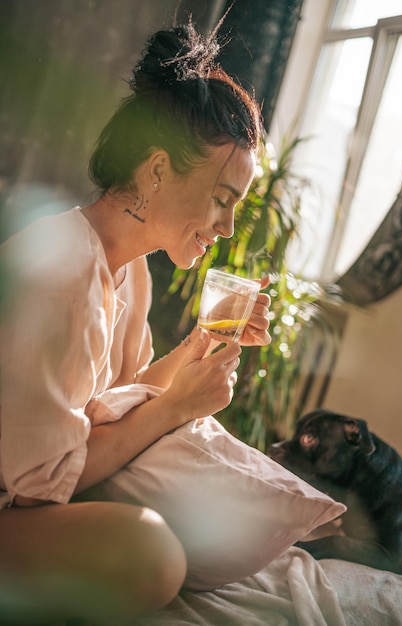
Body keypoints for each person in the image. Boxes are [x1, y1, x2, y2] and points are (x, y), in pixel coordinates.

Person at [0, 18, 271, 625]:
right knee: (150, 555)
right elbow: (43, 485)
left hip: (26, 489)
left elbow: (121, 393)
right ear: (155, 171)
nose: (227, 227)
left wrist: (209, 338)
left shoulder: (131, 272)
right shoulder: (64, 272)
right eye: (223, 199)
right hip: (13, 498)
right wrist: (177, 409)